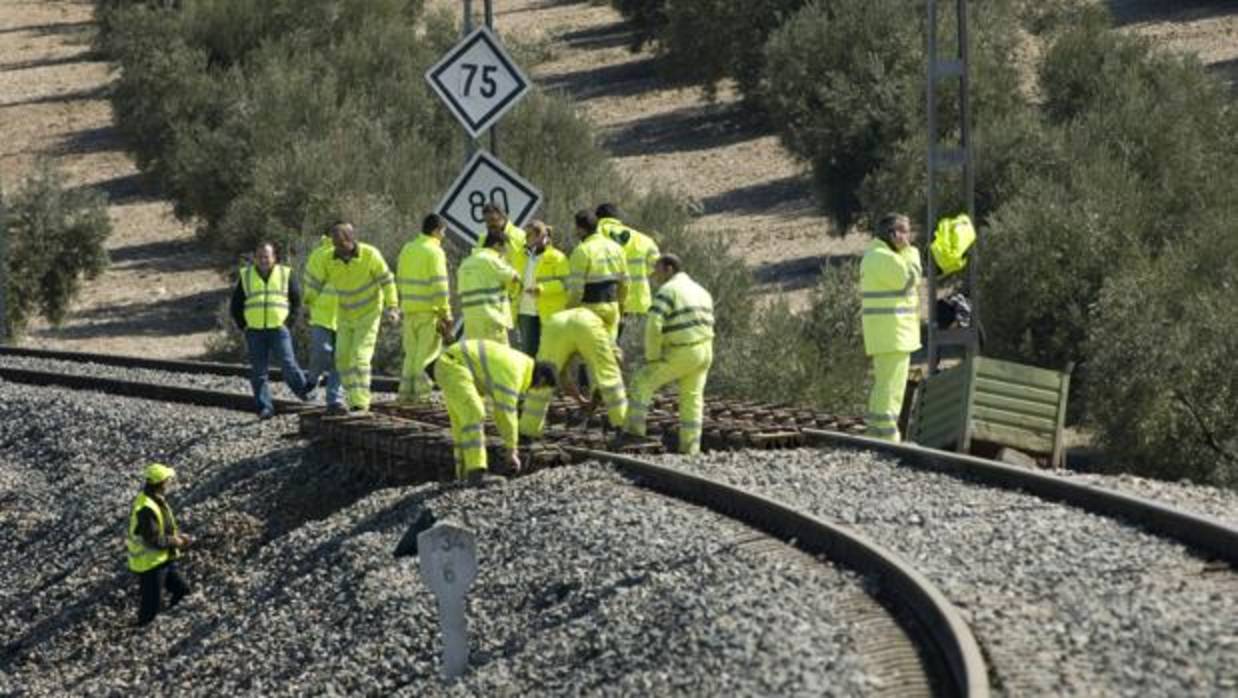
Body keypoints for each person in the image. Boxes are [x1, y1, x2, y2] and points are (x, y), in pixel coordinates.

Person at [302, 221, 399, 413]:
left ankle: (360, 403)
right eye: (335, 244)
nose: (338, 249)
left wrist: (393, 307)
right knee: (343, 359)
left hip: (369, 314)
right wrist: (308, 301)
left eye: (341, 244)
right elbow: (315, 282)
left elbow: (387, 281)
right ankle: (352, 397)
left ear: (351, 240)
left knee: (359, 358)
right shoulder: (330, 259)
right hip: (345, 314)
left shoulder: (370, 255)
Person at [623, 254, 715, 454]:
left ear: (669, 268)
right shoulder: (702, 291)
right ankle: (690, 448)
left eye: (657, 270)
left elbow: (653, 326)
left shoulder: (668, 291)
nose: (654, 275)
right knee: (692, 398)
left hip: (682, 351)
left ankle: (633, 435)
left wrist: (653, 356)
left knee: (641, 382)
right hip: (705, 351)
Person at [433, 338, 558, 482]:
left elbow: (500, 412)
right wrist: (512, 450)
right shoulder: (515, 373)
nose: (534, 390)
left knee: (461, 423)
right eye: (540, 388)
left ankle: (462, 475)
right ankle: (477, 473)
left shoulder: (521, 364)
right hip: (454, 367)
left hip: (450, 365)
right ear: (542, 379)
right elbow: (506, 413)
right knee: (474, 414)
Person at [229, 242, 313, 419]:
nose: (263, 260)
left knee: (288, 364)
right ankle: (264, 407)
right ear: (255, 258)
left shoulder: (285, 273)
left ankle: (304, 393)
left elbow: (296, 301)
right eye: (259, 256)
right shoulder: (246, 276)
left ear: (274, 257)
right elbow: (235, 305)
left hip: (278, 329)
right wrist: (244, 326)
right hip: (254, 332)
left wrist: (288, 323)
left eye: (266, 256)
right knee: (259, 372)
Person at [859, 213, 922, 442]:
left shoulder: (877, 256)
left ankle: (875, 432)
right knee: (892, 388)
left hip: (889, 334)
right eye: (905, 231)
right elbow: (911, 277)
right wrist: (910, 251)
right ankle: (888, 436)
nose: (909, 237)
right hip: (893, 334)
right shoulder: (883, 257)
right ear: (893, 234)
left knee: (884, 385)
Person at [519, 307, 627, 439]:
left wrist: (581, 400)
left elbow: (561, 377)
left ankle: (528, 430)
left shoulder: (565, 330)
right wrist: (595, 395)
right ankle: (623, 426)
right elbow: (615, 362)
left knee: (542, 379)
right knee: (610, 376)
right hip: (586, 323)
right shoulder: (604, 331)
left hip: (555, 323)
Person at [396, 214, 452, 404]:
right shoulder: (435, 251)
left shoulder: (408, 248)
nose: (443, 236)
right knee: (427, 355)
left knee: (411, 354)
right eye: (443, 232)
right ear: (436, 230)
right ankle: (421, 396)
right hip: (430, 312)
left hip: (409, 310)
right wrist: (445, 312)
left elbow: (400, 279)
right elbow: (440, 285)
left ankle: (405, 393)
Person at [126, 463, 192, 626]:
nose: (171, 483)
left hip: (164, 559)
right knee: (151, 606)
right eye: (168, 480)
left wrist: (176, 537)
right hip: (150, 564)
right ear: (161, 483)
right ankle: (140, 632)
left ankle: (169, 623)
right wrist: (176, 541)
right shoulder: (146, 508)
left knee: (183, 591)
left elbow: (164, 527)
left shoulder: (155, 499)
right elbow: (153, 539)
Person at [595, 203, 660, 340]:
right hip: (634, 303)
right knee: (624, 348)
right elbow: (657, 268)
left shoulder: (594, 234)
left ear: (597, 217)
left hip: (602, 299)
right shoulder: (644, 240)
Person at [567, 209, 628, 341]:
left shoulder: (582, 251)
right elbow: (625, 283)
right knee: (609, 351)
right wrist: (622, 309)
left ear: (581, 229)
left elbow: (576, 290)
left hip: (590, 309)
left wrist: (569, 310)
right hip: (612, 307)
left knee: (588, 353)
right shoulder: (616, 248)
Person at [513, 220, 571, 356]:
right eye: (525, 235)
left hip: (549, 313)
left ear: (540, 236)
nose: (525, 239)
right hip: (525, 312)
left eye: (529, 235)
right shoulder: (520, 255)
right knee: (528, 355)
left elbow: (565, 283)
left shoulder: (557, 257)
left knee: (551, 354)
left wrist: (542, 289)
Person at [303, 233, 346, 414]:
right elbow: (310, 282)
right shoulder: (319, 254)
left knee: (341, 359)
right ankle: (313, 378)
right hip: (321, 314)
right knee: (322, 352)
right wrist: (309, 303)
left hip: (345, 316)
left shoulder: (353, 254)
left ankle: (334, 399)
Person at [458, 227, 520, 345]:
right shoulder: (492, 259)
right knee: (499, 358)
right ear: (497, 245)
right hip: (491, 319)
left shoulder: (465, 263)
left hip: (471, 321)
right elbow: (514, 278)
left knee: (477, 358)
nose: (505, 253)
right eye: (505, 249)